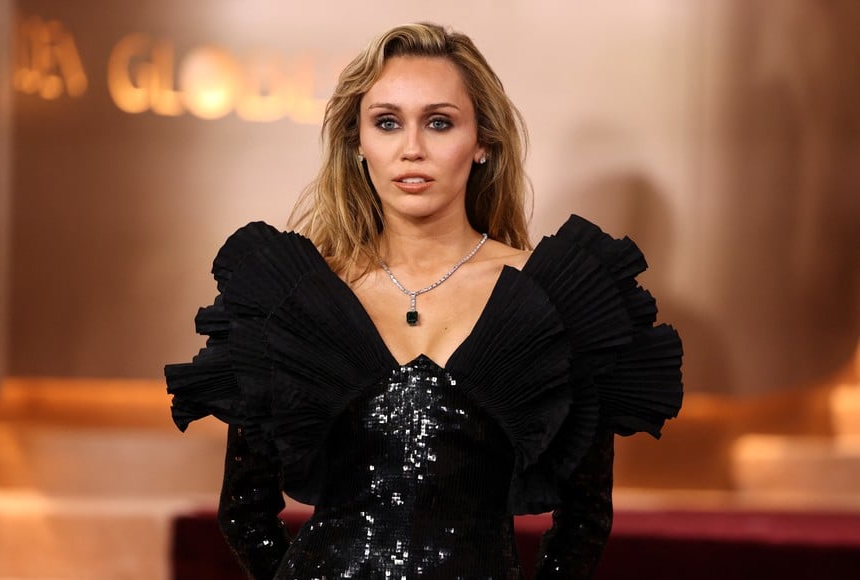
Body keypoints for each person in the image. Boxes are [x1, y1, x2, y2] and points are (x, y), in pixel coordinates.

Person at [165, 22, 683, 579]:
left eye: (439, 122)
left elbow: (583, 523)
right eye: (387, 122)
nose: (411, 149)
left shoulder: (553, 302)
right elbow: (244, 513)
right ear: (357, 143)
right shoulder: (296, 302)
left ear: (482, 141)